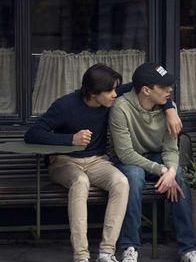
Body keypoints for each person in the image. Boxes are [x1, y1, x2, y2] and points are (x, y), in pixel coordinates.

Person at [24, 64, 129, 262]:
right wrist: (70, 139)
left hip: (97, 161)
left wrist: (169, 110)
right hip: (64, 162)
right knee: (80, 182)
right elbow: (33, 134)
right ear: (92, 92)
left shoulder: (108, 99)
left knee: (121, 182)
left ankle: (107, 252)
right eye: (110, 90)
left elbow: (142, 83)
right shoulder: (65, 105)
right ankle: (81, 255)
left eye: (115, 88)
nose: (115, 94)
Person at [109, 62, 196, 262]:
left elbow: (170, 149)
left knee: (178, 174)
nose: (170, 90)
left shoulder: (170, 109)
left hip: (156, 157)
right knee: (134, 177)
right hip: (129, 159)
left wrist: (170, 171)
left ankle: (188, 249)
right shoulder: (121, 107)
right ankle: (130, 247)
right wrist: (163, 170)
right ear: (146, 90)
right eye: (163, 87)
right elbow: (126, 153)